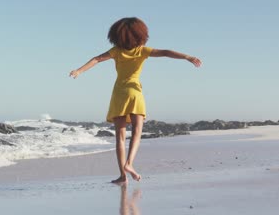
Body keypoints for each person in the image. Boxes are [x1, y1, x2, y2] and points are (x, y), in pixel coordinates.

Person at [69, 17, 201, 184]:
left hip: (119, 93)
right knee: (137, 131)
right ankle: (129, 164)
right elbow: (166, 52)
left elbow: (97, 59)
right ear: (140, 34)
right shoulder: (142, 50)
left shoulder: (116, 51)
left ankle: (122, 176)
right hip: (135, 92)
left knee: (120, 137)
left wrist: (79, 71)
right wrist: (187, 57)